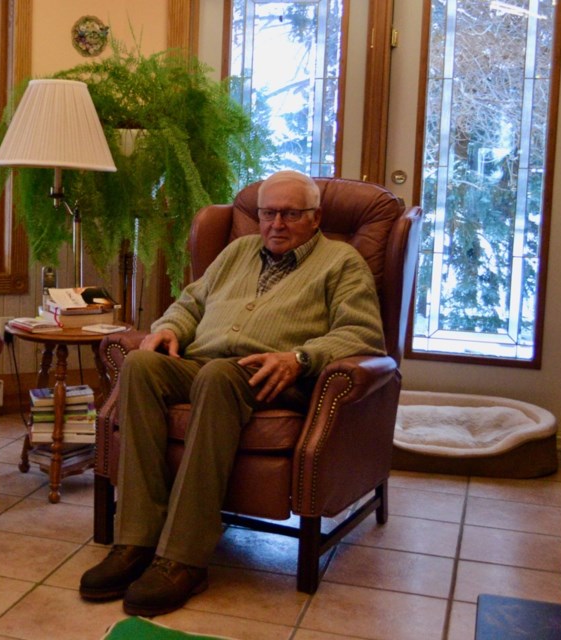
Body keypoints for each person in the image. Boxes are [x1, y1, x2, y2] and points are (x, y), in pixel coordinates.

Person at [79, 170, 387, 616]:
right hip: (204, 364)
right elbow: (191, 302)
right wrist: (167, 329)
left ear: (316, 218)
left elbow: (362, 334)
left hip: (271, 378)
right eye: (267, 213)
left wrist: (299, 358)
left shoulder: (342, 262)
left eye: (290, 214)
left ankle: (184, 557)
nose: (276, 224)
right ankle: (137, 541)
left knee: (219, 377)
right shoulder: (238, 251)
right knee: (142, 365)